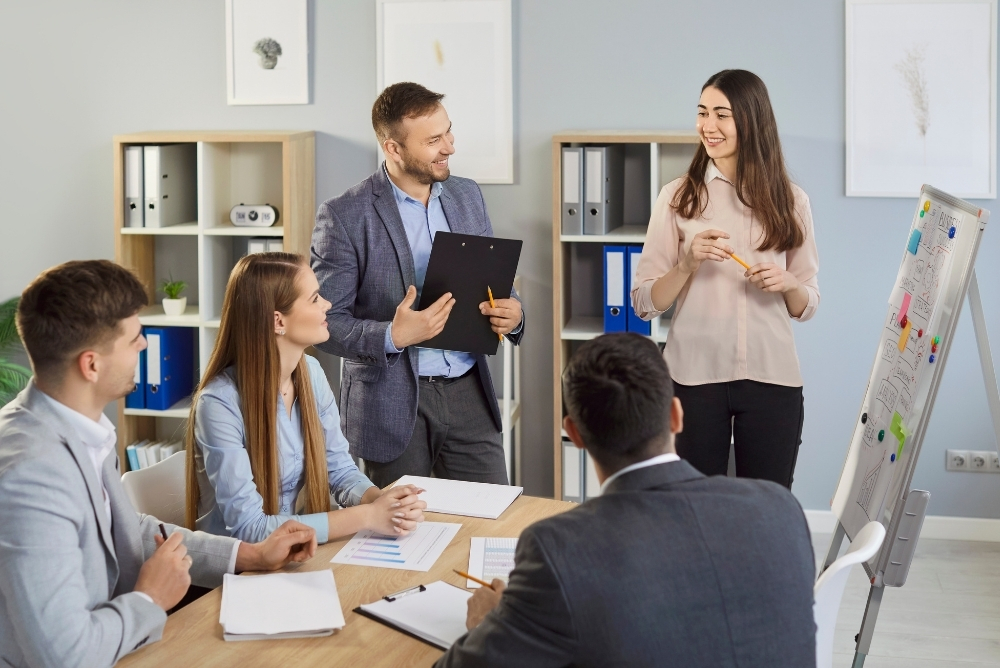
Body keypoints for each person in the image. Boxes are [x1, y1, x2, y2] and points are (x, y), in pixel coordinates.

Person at [0, 260, 317, 668]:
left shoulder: (79, 426)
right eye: (134, 338)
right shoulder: (30, 473)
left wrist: (250, 556)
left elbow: (130, 528)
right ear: (91, 364)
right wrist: (149, 598)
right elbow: (64, 656)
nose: (146, 346)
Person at [436, 333, 816, 667]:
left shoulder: (558, 550)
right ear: (676, 416)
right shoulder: (779, 508)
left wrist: (487, 623)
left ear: (575, 434)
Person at [311, 81, 524, 488]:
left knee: (489, 525)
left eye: (448, 132)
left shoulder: (466, 195)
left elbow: (492, 283)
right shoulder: (344, 215)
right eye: (433, 140)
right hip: (389, 404)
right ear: (393, 149)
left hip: (469, 394)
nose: (450, 147)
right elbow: (326, 322)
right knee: (404, 538)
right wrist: (392, 334)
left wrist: (512, 314)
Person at [631, 69, 820, 488]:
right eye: (702, 113)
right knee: (692, 507)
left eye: (721, 115)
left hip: (772, 378)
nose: (707, 126)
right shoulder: (677, 197)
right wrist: (685, 263)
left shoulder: (792, 201)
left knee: (766, 507)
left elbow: (808, 303)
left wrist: (788, 283)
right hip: (693, 378)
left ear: (750, 121)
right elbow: (644, 303)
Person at [187, 252, 426, 544]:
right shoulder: (219, 403)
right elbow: (250, 528)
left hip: (294, 553)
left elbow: (339, 470)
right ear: (278, 321)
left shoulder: (310, 373)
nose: (327, 305)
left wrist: (383, 501)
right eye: (315, 298)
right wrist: (369, 516)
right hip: (237, 570)